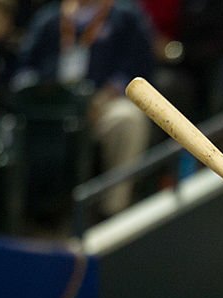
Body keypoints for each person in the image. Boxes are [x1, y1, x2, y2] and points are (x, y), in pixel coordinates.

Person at [14, 0, 155, 217]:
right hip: (54, 110)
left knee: (128, 119)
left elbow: (139, 67)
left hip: (101, 106)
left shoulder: (125, 15)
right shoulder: (51, 17)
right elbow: (24, 69)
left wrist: (105, 96)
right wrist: (40, 92)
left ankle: (113, 209)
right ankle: (27, 214)